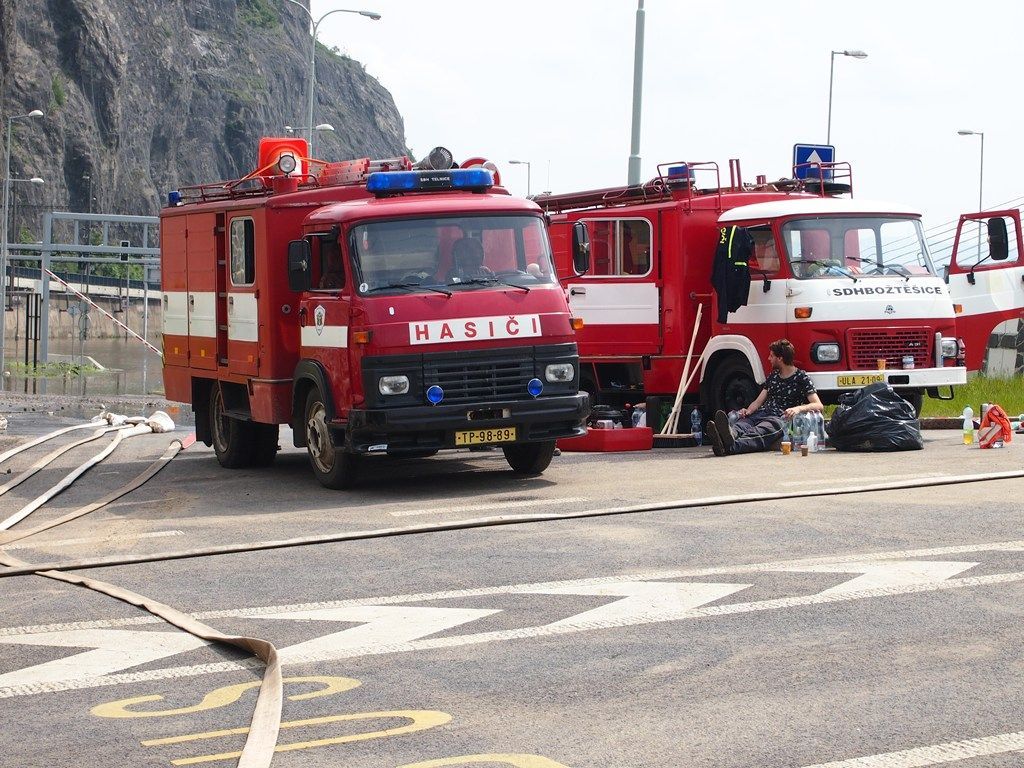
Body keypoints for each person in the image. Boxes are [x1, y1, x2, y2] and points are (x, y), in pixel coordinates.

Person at [706, 339, 823, 456]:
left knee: (757, 432)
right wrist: (748, 411)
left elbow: (818, 405)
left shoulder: (801, 378)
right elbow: (758, 401)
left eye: (771, 356)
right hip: (762, 413)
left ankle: (729, 447)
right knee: (742, 424)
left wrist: (798, 409)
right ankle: (728, 434)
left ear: (780, 358)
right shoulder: (773, 376)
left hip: (779, 418)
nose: (768, 359)